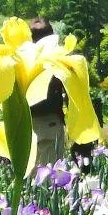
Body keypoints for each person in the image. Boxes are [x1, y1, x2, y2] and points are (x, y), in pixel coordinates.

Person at [28, 18, 68, 166]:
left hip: (26, 123)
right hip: (50, 122)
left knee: (31, 176)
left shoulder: (22, 58)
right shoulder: (57, 59)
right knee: (50, 178)